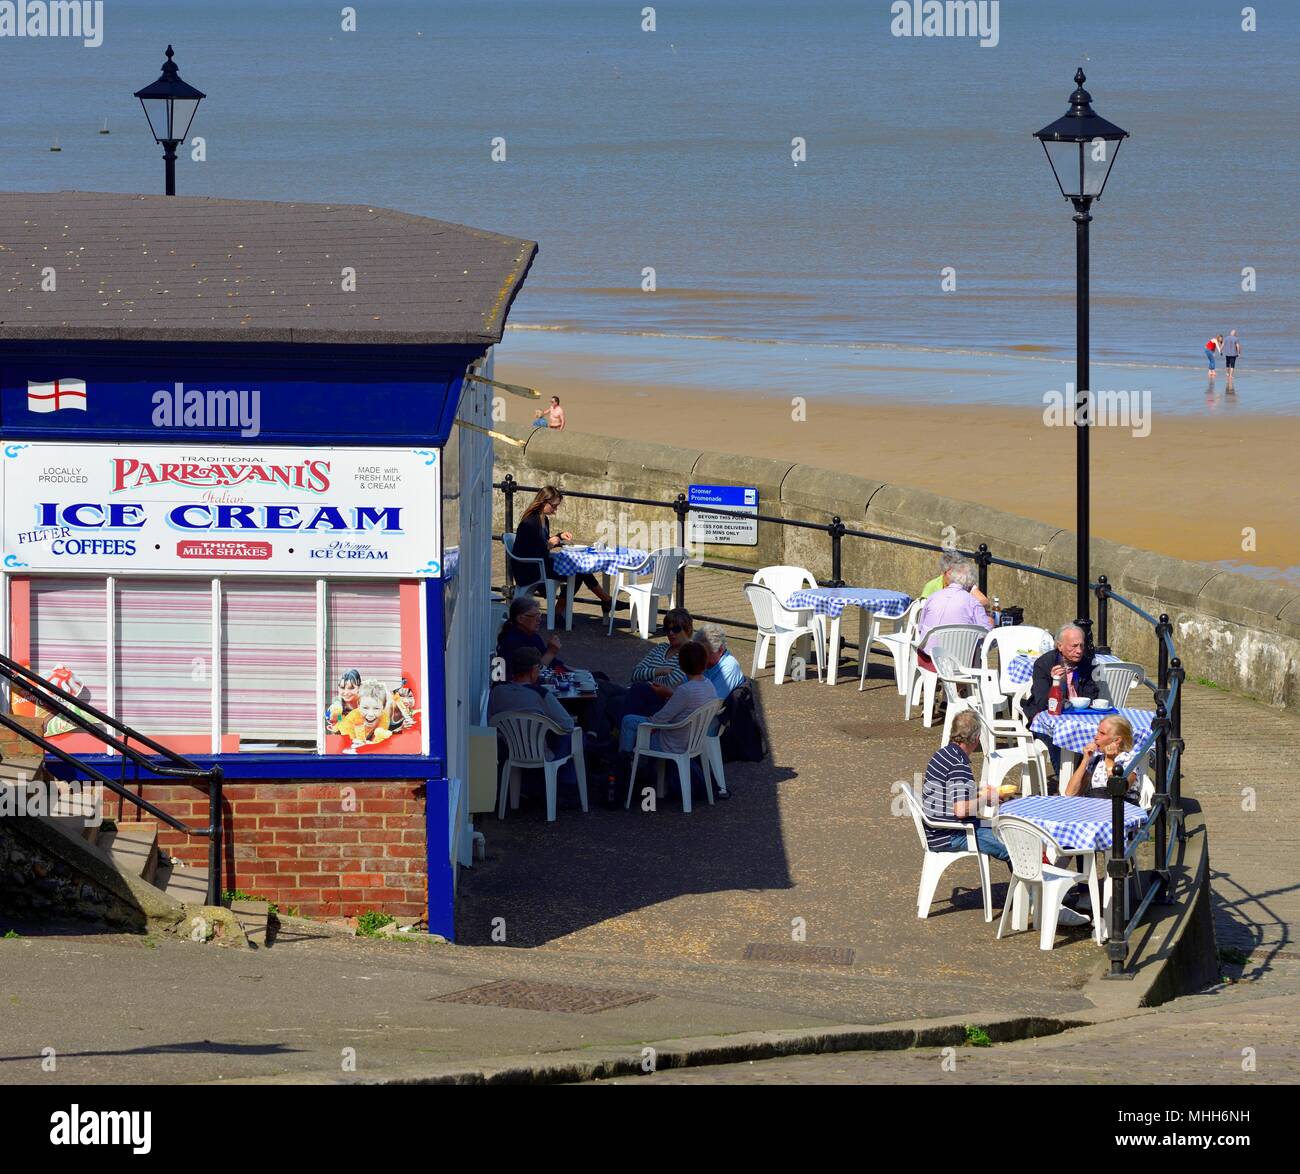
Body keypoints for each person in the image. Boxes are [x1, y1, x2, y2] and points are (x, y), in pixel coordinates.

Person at [920, 710, 1010, 864]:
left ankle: (1024, 887)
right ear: (976, 738)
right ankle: (1035, 885)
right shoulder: (959, 765)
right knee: (1017, 847)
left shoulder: (942, 754)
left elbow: (951, 794)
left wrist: (978, 795)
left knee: (1003, 829)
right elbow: (961, 810)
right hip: (952, 834)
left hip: (936, 829)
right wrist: (984, 798)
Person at [488, 646, 579, 794]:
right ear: (533, 670)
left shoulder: (497, 692)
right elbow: (567, 724)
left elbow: (491, 720)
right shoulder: (540, 694)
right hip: (541, 751)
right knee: (572, 736)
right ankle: (566, 788)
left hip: (510, 749)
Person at [510, 485, 613, 615]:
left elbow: (541, 541)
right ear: (543, 502)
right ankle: (605, 600)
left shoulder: (543, 519)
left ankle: (604, 600)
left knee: (578, 570)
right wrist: (549, 545)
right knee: (578, 571)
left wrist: (559, 536)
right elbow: (529, 551)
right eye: (554, 506)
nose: (555, 509)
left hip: (539, 563)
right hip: (530, 568)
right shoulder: (529, 523)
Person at [1021, 623, 1101, 776]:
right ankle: (1065, 781)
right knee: (1057, 739)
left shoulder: (1084, 662)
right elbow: (1042, 703)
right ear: (1059, 646)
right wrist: (1056, 682)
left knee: (1102, 736)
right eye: (1074, 646)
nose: (1079, 651)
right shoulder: (1044, 663)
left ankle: (1092, 779)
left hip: (1078, 717)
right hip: (1046, 720)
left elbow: (1092, 695)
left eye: (1081, 646)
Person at [915, 558, 992, 671]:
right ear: (969, 582)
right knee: (977, 644)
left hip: (928, 659)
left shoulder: (933, 597)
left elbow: (920, 627)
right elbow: (986, 633)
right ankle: (969, 684)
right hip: (959, 663)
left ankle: (959, 685)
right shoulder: (973, 602)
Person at [623, 608, 694, 717]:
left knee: (635, 689)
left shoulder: (689, 653)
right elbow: (635, 674)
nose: (670, 633)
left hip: (662, 704)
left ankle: (622, 728)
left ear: (688, 629)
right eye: (667, 629)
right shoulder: (661, 647)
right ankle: (592, 733)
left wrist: (647, 677)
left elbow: (668, 684)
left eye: (675, 629)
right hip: (641, 695)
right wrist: (658, 671)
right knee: (601, 686)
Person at [1063, 714, 1141, 804]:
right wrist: (1085, 760)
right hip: (1095, 810)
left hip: (1120, 812)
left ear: (1116, 740)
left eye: (1102, 733)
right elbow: (1070, 793)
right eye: (1097, 732)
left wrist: (1110, 762)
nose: (1096, 737)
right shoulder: (1096, 761)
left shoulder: (1128, 761)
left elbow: (1118, 791)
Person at [921, 551, 991, 608]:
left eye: (959, 570)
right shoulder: (932, 586)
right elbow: (923, 609)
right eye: (955, 571)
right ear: (946, 572)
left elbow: (985, 602)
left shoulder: (964, 582)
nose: (957, 574)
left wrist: (965, 606)